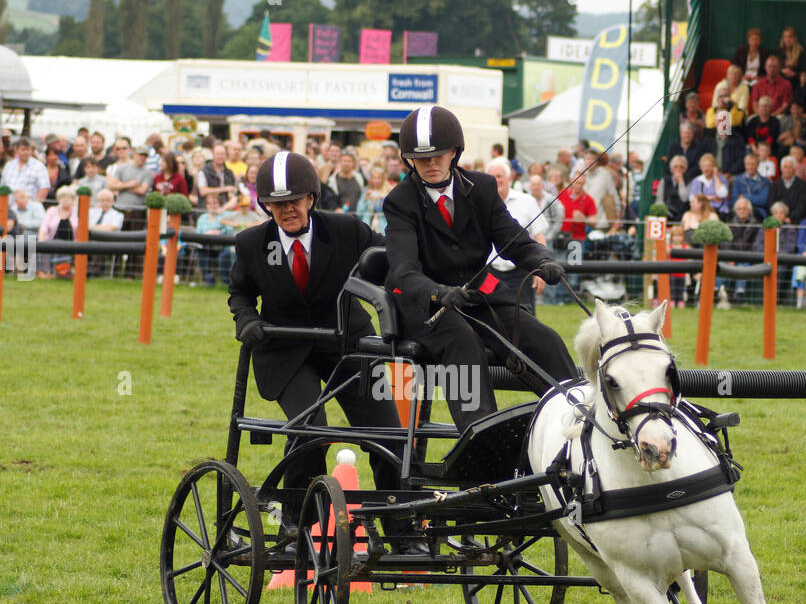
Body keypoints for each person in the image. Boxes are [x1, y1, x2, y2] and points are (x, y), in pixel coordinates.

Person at [227, 151, 416, 546]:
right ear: (265, 205)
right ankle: (295, 521)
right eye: (277, 204)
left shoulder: (346, 230)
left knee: (389, 433)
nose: (287, 210)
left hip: (347, 344)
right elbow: (240, 293)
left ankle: (401, 528)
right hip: (286, 350)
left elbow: (388, 262)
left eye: (294, 200)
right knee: (310, 429)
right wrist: (247, 320)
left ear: (312, 198)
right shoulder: (250, 244)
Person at [382, 105, 577, 430]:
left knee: (542, 337)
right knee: (463, 342)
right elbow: (403, 270)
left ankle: (575, 414)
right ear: (408, 159)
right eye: (421, 157)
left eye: (438, 155)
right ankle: (480, 434)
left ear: (455, 152)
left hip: (476, 294)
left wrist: (542, 260)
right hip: (425, 305)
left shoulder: (483, 187)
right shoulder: (399, 201)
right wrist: (437, 292)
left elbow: (513, 240)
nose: (430, 163)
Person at [484, 159, 549, 314]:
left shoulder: (527, 201)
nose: (495, 180)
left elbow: (539, 237)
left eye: (499, 176)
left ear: (510, 178)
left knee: (526, 319)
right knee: (490, 318)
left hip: (521, 273)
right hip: (489, 273)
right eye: (491, 176)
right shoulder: (479, 203)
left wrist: (542, 268)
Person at [769, 155, 806, 222]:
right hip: (777, 219)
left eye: (790, 167)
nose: (787, 170)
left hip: (796, 220)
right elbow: (771, 203)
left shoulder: (802, 185)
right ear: (781, 169)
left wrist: (790, 218)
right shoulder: (774, 185)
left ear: (794, 169)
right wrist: (779, 216)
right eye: (785, 167)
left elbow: (802, 205)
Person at [731, 150, 770, 218]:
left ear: (757, 166)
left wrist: (745, 196)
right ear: (745, 165)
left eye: (753, 164)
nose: (750, 167)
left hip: (758, 211)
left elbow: (763, 200)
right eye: (748, 164)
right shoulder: (738, 180)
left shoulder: (765, 181)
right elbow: (734, 199)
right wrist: (745, 206)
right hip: (740, 210)